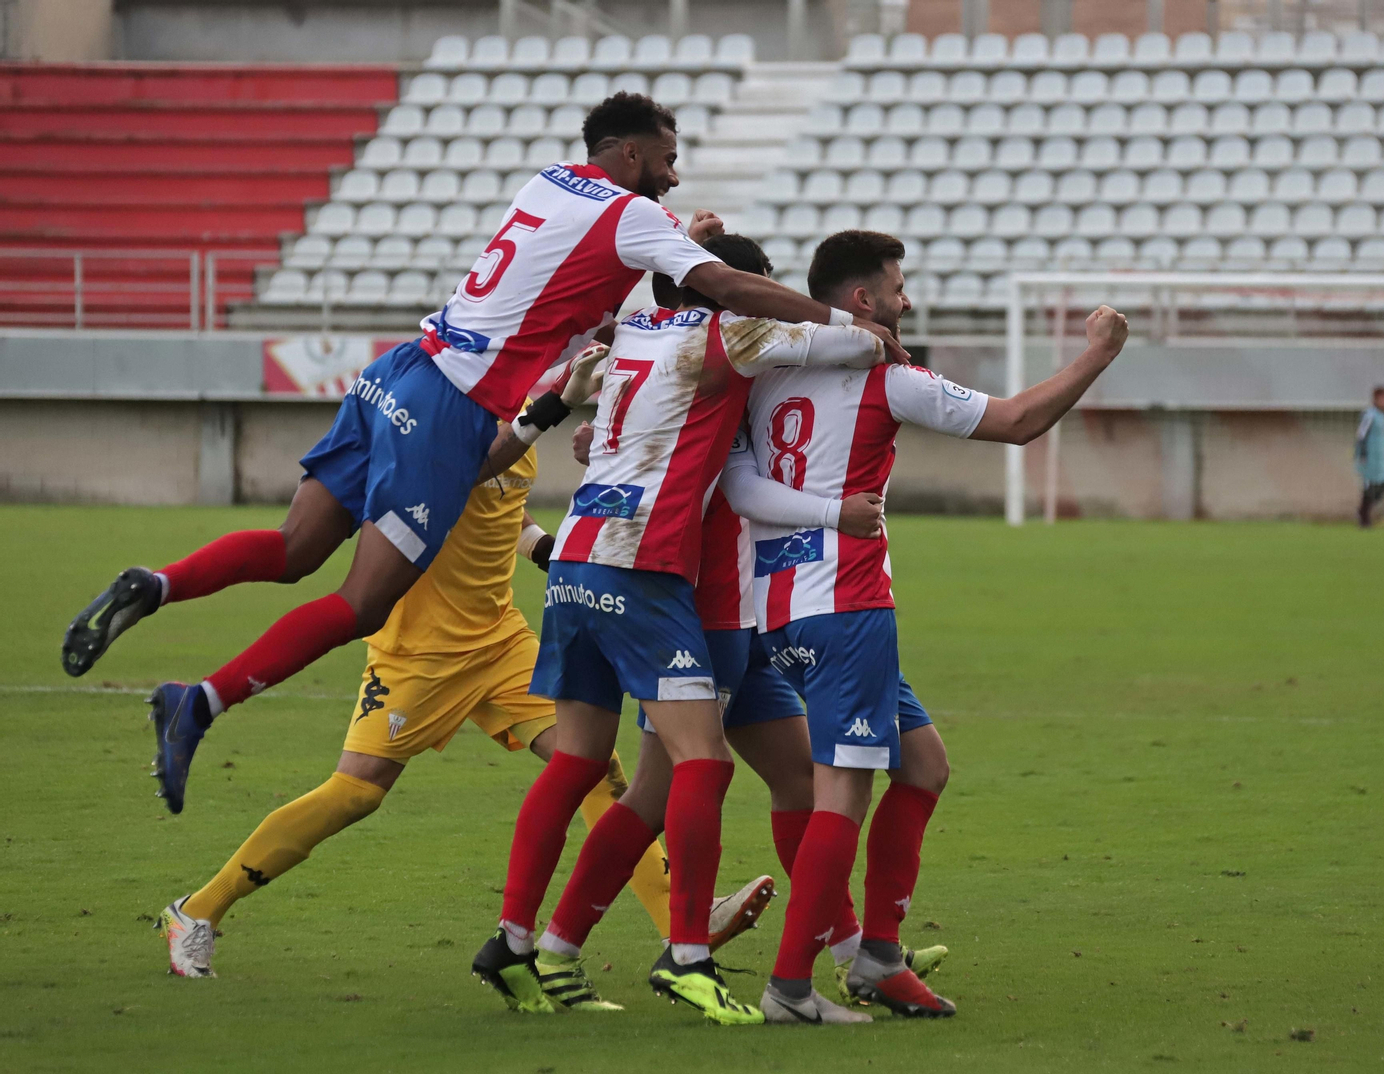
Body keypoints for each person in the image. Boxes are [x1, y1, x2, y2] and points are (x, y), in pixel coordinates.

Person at [59, 92, 905, 817]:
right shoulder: (635, 214)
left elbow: (575, 277)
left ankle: (158, 583)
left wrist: (675, 234)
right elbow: (718, 287)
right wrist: (835, 323)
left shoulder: (547, 183)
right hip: (450, 407)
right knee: (362, 601)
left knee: (292, 550)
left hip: (400, 368)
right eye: (670, 160)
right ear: (632, 151)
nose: (674, 175)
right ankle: (198, 702)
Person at [154, 421, 775, 981]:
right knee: (356, 793)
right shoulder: (446, 425)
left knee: (591, 767)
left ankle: (678, 921)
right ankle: (196, 911)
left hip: (500, 640)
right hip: (418, 653)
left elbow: (509, 514)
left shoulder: (526, 418)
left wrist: (549, 550)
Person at [477, 232, 894, 1027]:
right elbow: (839, 344)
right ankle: (695, 955)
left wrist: (687, 251)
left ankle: (539, 943)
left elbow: (604, 373)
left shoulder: (632, 332)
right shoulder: (737, 341)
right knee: (696, 773)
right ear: (736, 291)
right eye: (753, 288)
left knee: (623, 773)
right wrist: (878, 336)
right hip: (688, 592)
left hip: (585, 560)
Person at [731, 230, 1127, 1022]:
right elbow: (1016, 421)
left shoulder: (765, 369)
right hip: (845, 607)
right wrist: (1099, 355)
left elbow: (738, 478)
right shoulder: (887, 376)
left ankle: (875, 955)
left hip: (772, 607)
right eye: (897, 286)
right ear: (863, 302)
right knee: (841, 794)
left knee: (923, 764)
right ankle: (789, 986)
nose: (907, 299)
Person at [1356, 385, 1384, 528]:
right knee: (1369, 487)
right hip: (1368, 459)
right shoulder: (1369, 415)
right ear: (1378, 399)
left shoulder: (1381, 416)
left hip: (1379, 459)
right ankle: (1364, 518)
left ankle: (1363, 511)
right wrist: (1363, 454)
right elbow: (1361, 434)